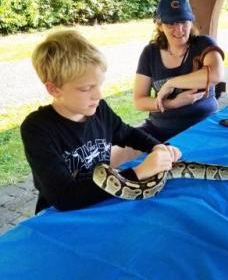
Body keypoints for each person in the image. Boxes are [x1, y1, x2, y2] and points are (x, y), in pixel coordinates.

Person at [21, 30, 181, 213]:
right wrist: (137, 173)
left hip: (101, 202)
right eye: (86, 88)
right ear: (54, 89)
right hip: (59, 218)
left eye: (99, 85)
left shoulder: (99, 109)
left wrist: (157, 147)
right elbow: (64, 197)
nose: (98, 95)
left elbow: (127, 133)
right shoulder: (37, 129)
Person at [133, 0, 224, 142]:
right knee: (119, 151)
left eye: (183, 22)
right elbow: (139, 100)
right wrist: (173, 104)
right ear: (160, 25)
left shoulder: (203, 44)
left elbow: (215, 74)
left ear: (191, 22)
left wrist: (171, 83)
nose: (179, 29)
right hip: (159, 129)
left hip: (202, 126)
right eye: (171, 23)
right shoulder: (150, 53)